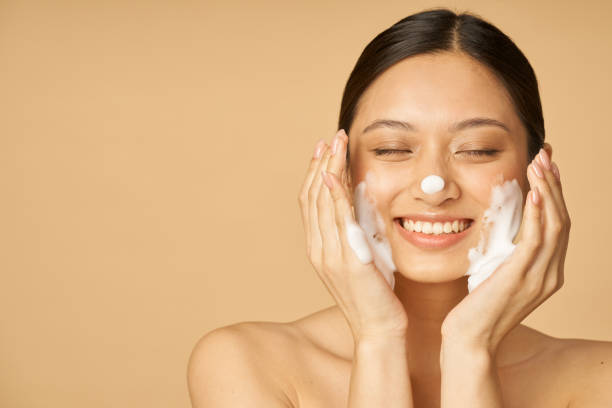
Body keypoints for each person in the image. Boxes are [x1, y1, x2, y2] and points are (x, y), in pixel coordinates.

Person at [187, 7, 612, 407]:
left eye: (478, 150)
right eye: (391, 149)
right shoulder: (248, 365)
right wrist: (378, 338)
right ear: (344, 167)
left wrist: (469, 348)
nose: (434, 185)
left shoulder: (599, 380)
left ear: (536, 168)